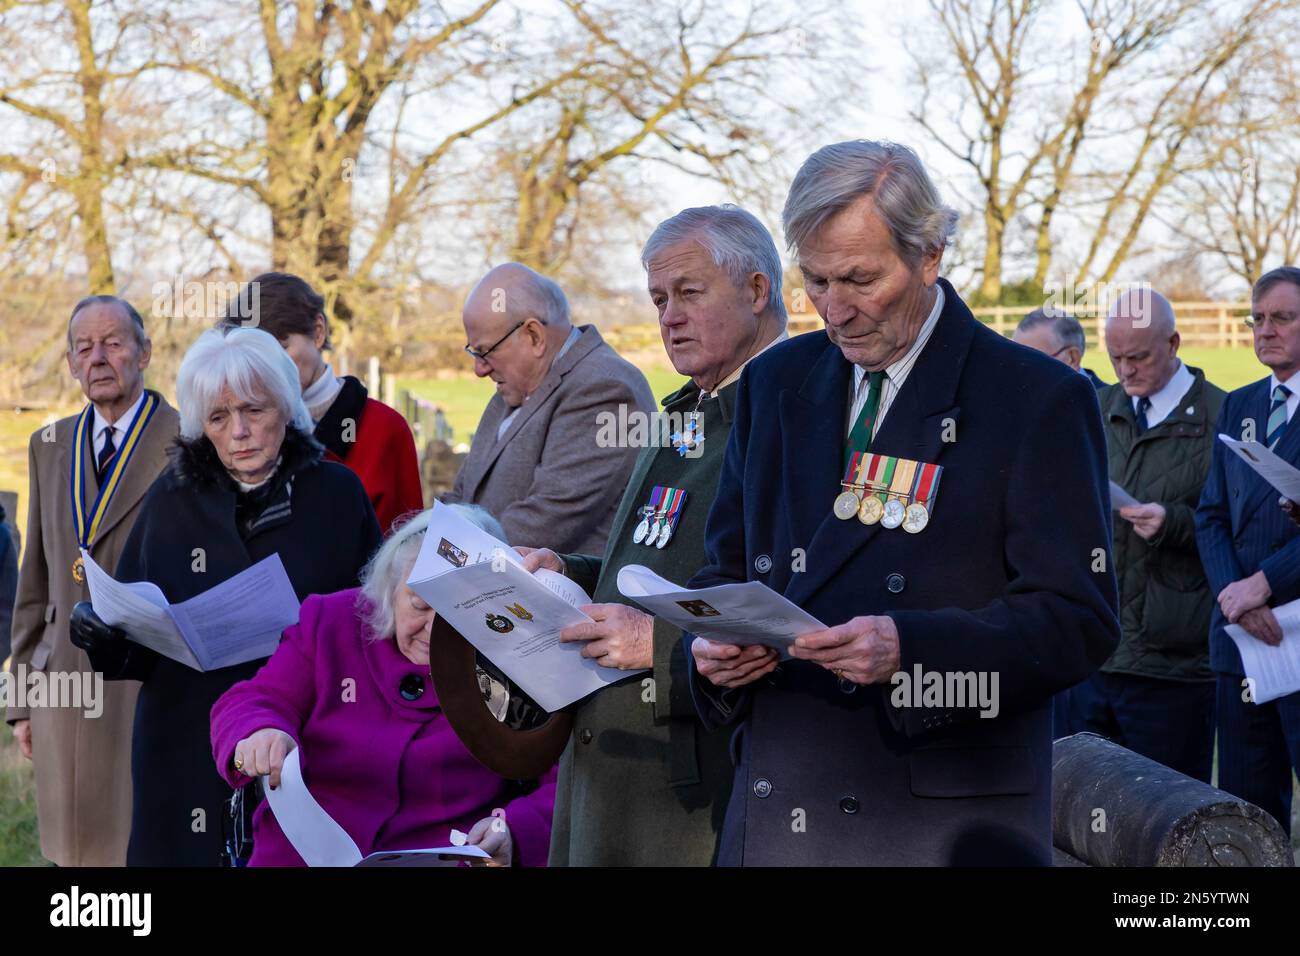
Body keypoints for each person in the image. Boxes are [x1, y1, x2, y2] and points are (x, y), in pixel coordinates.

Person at [686, 140, 1119, 866]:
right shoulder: (774, 384)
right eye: (816, 280)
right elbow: (722, 569)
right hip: (777, 812)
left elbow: (1078, 620)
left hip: (933, 825)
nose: (835, 310)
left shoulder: (1035, 399)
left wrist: (911, 652)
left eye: (860, 279)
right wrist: (707, 649)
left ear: (929, 256)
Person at [519, 205, 788, 865]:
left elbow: (794, 609)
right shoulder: (686, 415)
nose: (668, 316)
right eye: (659, 298)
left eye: (689, 293)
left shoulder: (791, 420)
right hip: (609, 779)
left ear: (757, 292)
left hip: (692, 792)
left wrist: (662, 645)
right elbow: (650, 560)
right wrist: (570, 569)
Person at [76, 326, 382, 865]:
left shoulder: (337, 495)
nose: (239, 431)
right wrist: (100, 636)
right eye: (219, 418)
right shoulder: (170, 499)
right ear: (202, 427)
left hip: (303, 740)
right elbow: (135, 639)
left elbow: (374, 625)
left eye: (254, 411)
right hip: (185, 739)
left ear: (286, 408)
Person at [210, 505, 556, 867]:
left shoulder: (516, 662)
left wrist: (513, 830)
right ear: (390, 587)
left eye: (456, 614)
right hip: (297, 856)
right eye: (420, 605)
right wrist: (260, 732)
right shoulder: (332, 622)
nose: (433, 630)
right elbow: (254, 698)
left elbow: (568, 782)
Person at [6, 295, 179, 866]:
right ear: (72, 364)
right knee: (70, 854)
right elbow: (34, 581)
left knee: (137, 851)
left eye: (113, 343)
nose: (99, 358)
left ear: (144, 352)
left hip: (143, 683)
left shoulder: (187, 442)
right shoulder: (48, 445)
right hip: (61, 688)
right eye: (84, 348)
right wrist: (20, 700)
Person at [1071, 290, 1224, 781]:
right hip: (1095, 652)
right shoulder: (1092, 408)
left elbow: (1243, 531)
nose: (1125, 370)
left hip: (1173, 661)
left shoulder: (1222, 415)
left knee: (1169, 819)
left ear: (1174, 343)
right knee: (1085, 816)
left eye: (1138, 356)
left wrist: (1172, 523)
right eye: (1115, 357)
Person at [444, 263, 655, 555]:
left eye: (485, 351)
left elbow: (544, 523)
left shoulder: (605, 389)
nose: (479, 369)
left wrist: (442, 554)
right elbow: (462, 495)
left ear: (534, 336)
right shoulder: (514, 388)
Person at [1195, 265, 1300, 834]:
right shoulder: (1239, 405)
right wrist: (1235, 597)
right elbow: (1211, 514)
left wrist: (1266, 585)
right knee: (1246, 814)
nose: (1266, 330)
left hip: (1297, 630)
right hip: (1241, 643)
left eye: (1282, 318)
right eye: (1258, 319)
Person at [220, 272, 423, 533]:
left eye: (281, 349)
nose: (269, 368)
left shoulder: (385, 428)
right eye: (256, 356)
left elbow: (408, 549)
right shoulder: (234, 432)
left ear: (318, 332)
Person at [1013, 308, 1106, 389]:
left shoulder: (1113, 406)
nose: (1022, 373)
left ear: (1072, 358)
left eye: (1035, 362)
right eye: (1017, 361)